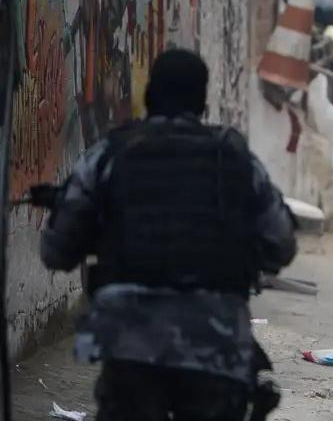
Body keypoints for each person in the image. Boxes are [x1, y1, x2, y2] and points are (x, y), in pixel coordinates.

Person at [40, 49, 298, 421]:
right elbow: (282, 244)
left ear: (149, 95)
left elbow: (56, 250)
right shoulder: (235, 157)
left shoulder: (110, 154)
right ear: (203, 100)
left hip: (131, 343)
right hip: (214, 343)